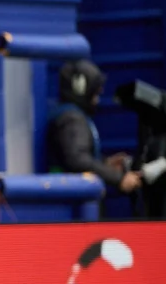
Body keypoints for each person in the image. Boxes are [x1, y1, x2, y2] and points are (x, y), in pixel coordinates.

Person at [47, 59, 142, 195]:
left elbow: (76, 154)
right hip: (74, 201)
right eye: (95, 94)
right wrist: (118, 178)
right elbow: (77, 160)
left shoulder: (68, 114)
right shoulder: (72, 119)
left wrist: (105, 163)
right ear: (81, 89)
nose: (97, 100)